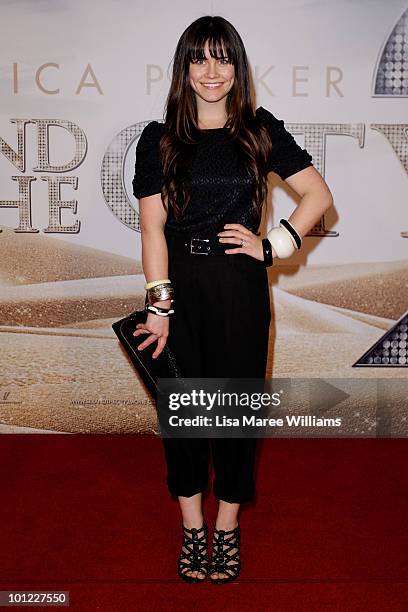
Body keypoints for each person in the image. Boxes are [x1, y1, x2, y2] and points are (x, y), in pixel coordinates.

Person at [132, 15, 333, 584]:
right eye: (200, 58)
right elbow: (152, 231)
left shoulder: (258, 129)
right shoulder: (158, 138)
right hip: (182, 290)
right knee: (185, 417)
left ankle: (227, 527)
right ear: (184, 67)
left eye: (223, 58)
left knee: (235, 417)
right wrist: (159, 304)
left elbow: (317, 195)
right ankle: (192, 528)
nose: (212, 71)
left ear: (237, 67)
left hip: (242, 290)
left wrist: (273, 244)